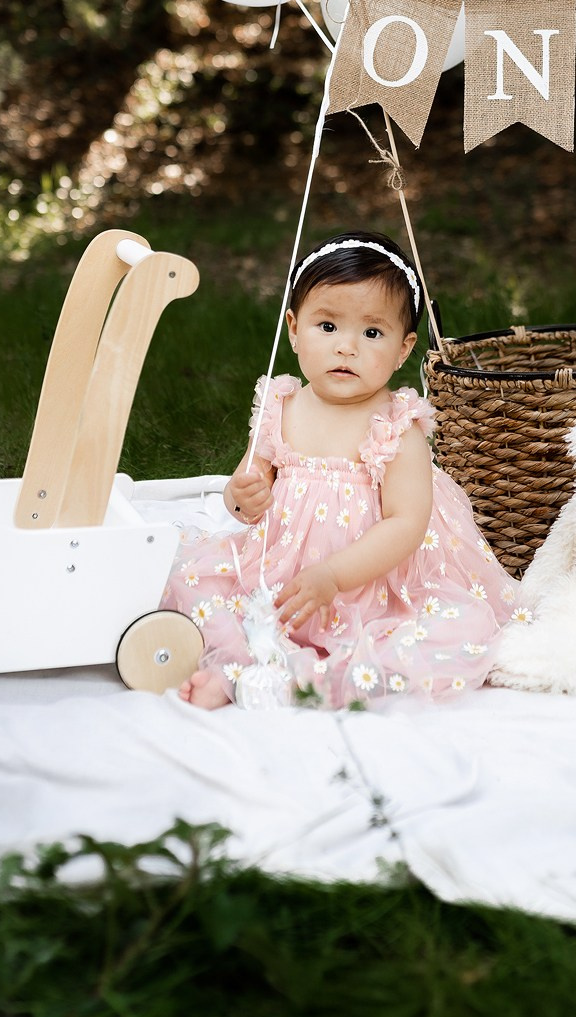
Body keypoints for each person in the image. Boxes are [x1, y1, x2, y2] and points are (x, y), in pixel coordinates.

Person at [162, 231, 517, 708]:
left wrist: (332, 576)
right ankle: (237, 664)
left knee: (451, 630)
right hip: (282, 574)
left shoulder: (397, 426)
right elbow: (246, 490)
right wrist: (241, 496)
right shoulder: (280, 405)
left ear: (403, 348)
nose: (346, 347)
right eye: (327, 326)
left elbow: (406, 524)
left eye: (372, 333)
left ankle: (306, 680)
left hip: (370, 583)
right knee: (196, 580)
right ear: (293, 329)